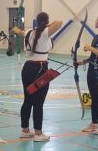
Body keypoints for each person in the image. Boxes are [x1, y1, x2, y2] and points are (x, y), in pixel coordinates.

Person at [13, 12, 62, 141]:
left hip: (28, 69)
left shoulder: (30, 32)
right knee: (38, 103)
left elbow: (19, 32)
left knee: (28, 100)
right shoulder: (45, 32)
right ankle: (38, 133)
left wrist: (16, 29)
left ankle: (25, 130)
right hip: (40, 70)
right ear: (46, 22)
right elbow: (60, 22)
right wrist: (48, 25)